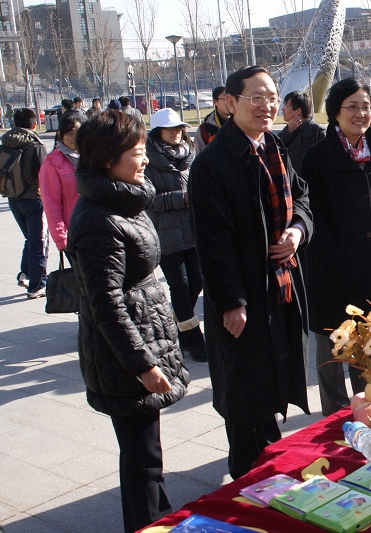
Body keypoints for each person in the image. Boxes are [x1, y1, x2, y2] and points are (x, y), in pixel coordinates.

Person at [67, 110, 190, 533]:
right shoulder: (98, 220)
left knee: (147, 452)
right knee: (142, 457)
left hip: (144, 334)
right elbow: (106, 304)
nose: (144, 160)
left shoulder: (123, 200)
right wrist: (144, 365)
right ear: (107, 159)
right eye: (137, 152)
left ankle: (157, 517)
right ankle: (147, 524)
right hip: (124, 355)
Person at [189, 66, 313, 480]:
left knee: (272, 383)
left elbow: (302, 199)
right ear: (230, 102)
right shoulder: (212, 164)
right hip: (244, 296)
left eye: (272, 97)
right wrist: (231, 303)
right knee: (244, 394)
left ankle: (271, 466)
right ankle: (246, 481)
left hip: (278, 287)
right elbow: (212, 244)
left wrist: (297, 232)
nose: (267, 106)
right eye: (255, 97)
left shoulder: (274, 147)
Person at [302, 77, 371, 416]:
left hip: (370, 266)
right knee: (332, 350)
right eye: (352, 107)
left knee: (368, 348)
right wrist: (333, 256)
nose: (361, 113)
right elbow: (311, 213)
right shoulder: (316, 157)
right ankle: (335, 418)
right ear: (335, 112)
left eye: (366, 106)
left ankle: (368, 410)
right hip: (331, 271)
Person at [144, 108, 206, 363]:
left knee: (197, 283)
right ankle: (194, 339)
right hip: (166, 235)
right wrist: (182, 199)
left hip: (192, 231)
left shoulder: (190, 155)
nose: (176, 133)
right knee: (180, 287)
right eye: (169, 129)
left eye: (179, 128)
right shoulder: (148, 161)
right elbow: (148, 200)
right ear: (158, 132)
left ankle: (181, 327)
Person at [1, 108, 48, 297]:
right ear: (34, 124)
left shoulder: (6, 142)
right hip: (34, 200)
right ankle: (37, 285)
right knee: (39, 241)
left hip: (13, 198)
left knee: (31, 238)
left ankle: (26, 274)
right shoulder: (35, 146)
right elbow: (44, 176)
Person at [39, 110, 87, 253]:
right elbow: (51, 204)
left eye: (78, 133)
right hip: (74, 235)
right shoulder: (52, 163)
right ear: (60, 134)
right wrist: (61, 238)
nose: (74, 138)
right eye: (70, 133)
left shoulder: (91, 157)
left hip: (98, 229)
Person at [277, 90, 326, 178]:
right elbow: (276, 148)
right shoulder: (288, 130)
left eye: (285, 106)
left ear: (298, 111)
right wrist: (289, 131)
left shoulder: (317, 133)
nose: (282, 109)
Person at [194, 86, 230, 151]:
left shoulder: (243, 124)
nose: (229, 102)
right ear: (215, 102)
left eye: (231, 98)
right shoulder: (204, 130)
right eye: (224, 98)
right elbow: (200, 154)